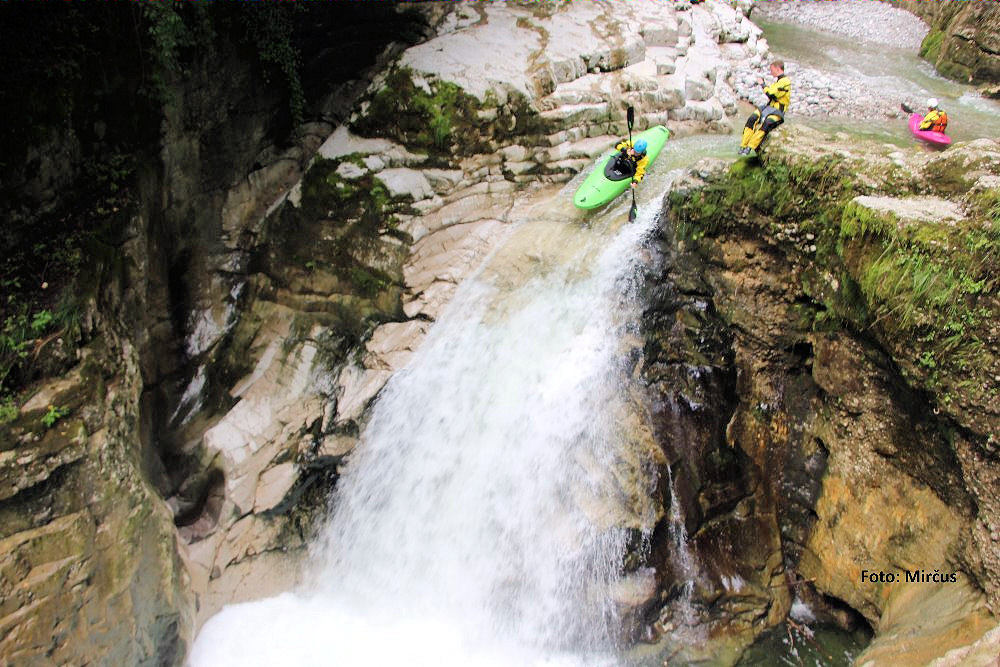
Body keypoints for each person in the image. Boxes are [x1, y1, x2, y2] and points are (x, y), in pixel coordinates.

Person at [739, 60, 791, 155]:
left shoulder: (785, 81)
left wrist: (763, 84)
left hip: (778, 111)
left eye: (772, 70)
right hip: (768, 108)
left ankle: (750, 147)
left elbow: (770, 93)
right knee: (752, 118)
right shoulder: (778, 82)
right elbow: (771, 94)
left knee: (767, 123)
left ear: (777, 69)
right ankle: (743, 146)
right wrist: (764, 86)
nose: (771, 72)